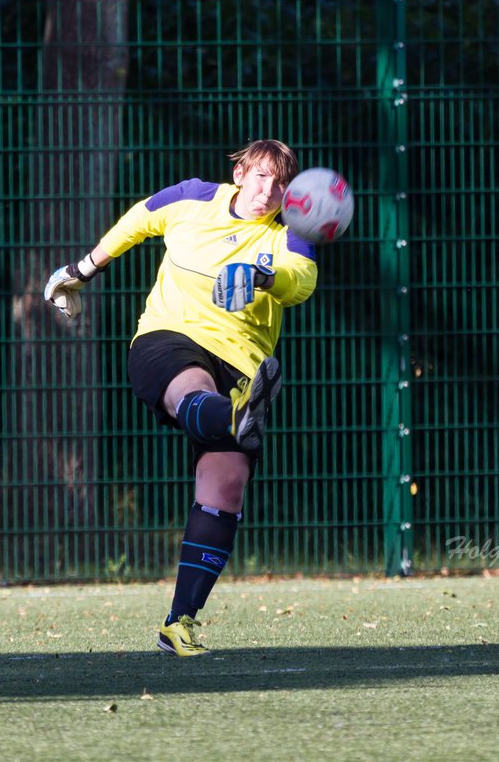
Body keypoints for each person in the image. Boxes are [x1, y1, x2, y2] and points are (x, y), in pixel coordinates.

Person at [43, 139, 318, 656]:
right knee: (193, 387)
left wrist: (262, 275)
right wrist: (81, 270)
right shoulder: (193, 198)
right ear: (239, 173)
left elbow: (301, 281)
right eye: (260, 176)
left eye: (281, 183)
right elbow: (138, 220)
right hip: (167, 340)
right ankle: (234, 413)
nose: (270, 190)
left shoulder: (289, 234)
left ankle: (178, 624)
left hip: (241, 363)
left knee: (226, 490)